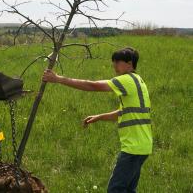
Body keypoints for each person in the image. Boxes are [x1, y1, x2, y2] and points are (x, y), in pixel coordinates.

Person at [42, 47, 153, 193]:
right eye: (113, 62)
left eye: (117, 62)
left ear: (129, 63)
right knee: (128, 189)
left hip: (133, 147)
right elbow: (123, 113)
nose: (114, 66)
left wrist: (58, 79)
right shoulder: (138, 80)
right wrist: (99, 117)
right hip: (142, 145)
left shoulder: (127, 80)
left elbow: (93, 85)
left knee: (116, 189)